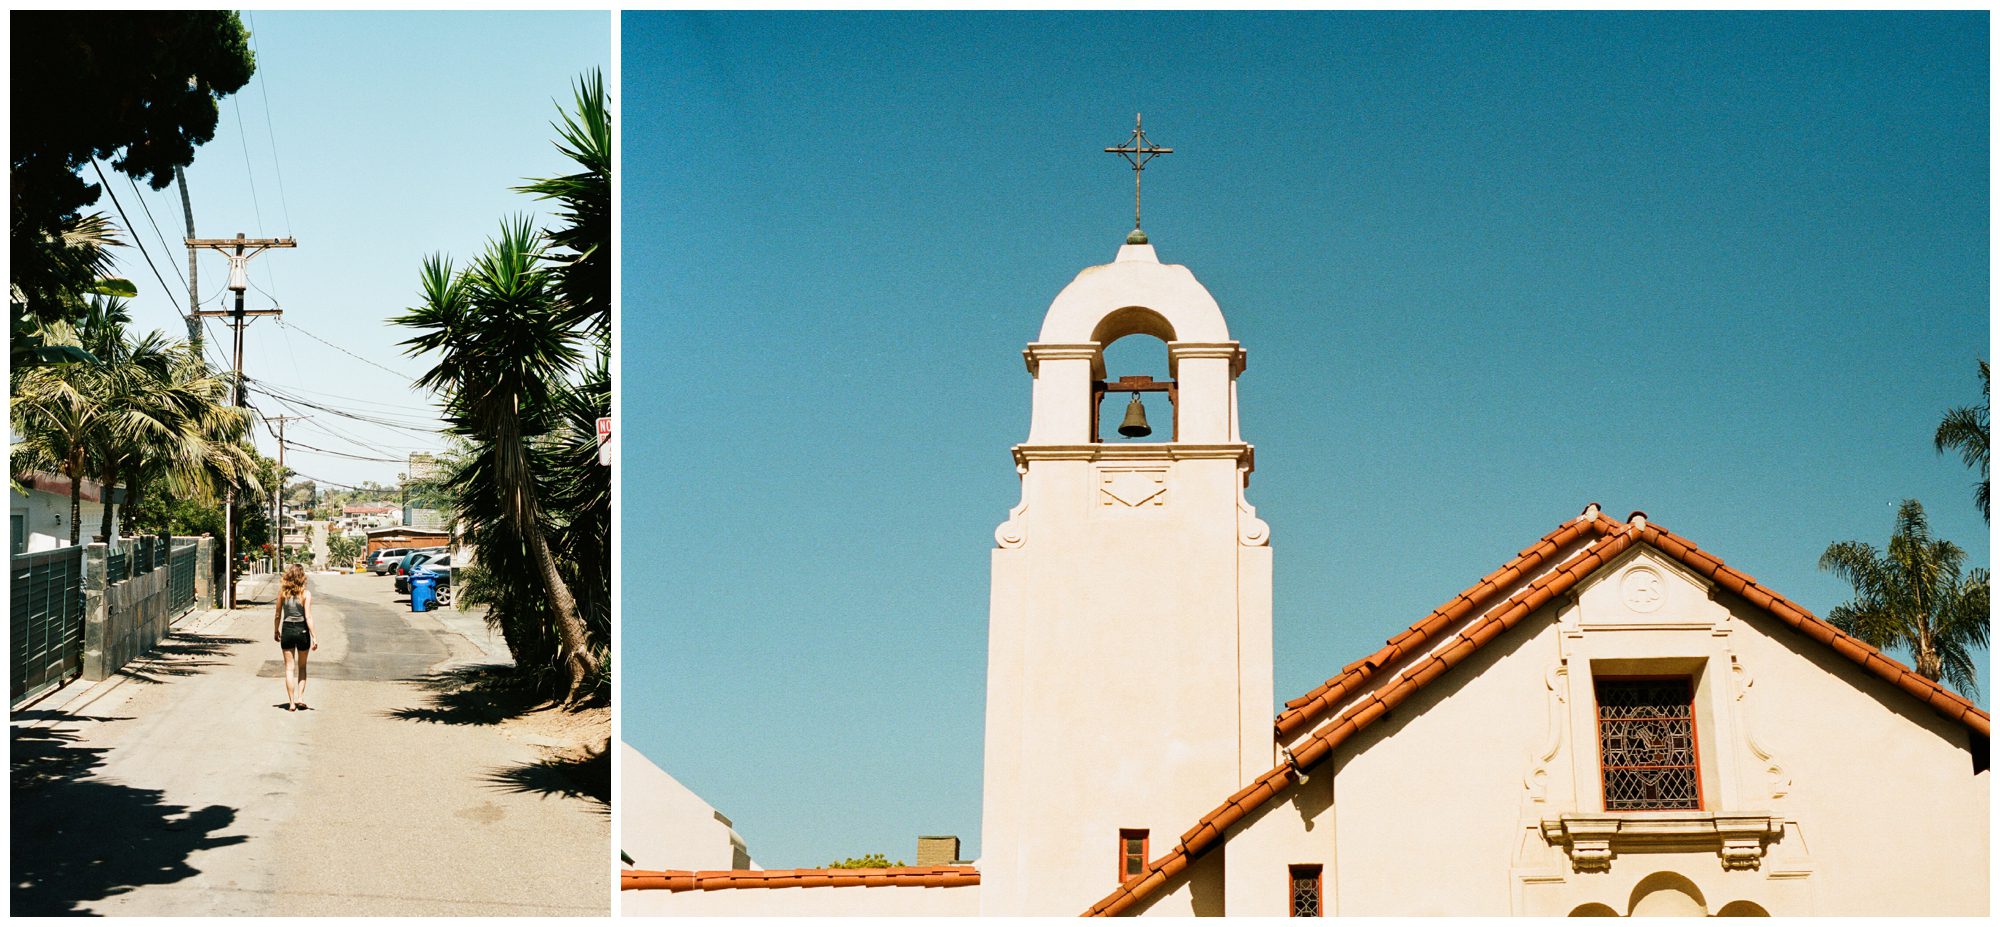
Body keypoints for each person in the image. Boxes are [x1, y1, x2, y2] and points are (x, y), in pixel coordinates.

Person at [273, 563, 318, 711]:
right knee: (302, 667)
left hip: (287, 630)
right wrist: (314, 636)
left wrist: (276, 630)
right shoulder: (306, 594)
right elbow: (308, 616)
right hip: (302, 630)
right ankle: (300, 698)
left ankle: (291, 703)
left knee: (289, 669)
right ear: (302, 577)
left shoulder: (282, 593)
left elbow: (278, 614)